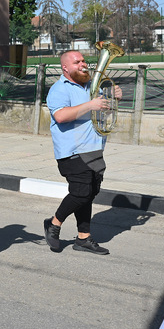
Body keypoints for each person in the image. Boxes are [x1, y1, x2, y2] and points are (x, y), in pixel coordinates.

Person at [43, 50, 122, 256]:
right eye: (77, 62)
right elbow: (61, 116)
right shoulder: (59, 89)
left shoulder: (92, 87)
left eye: (84, 60)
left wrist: (113, 98)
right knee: (81, 193)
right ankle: (54, 223)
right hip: (72, 150)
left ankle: (83, 238)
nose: (83, 64)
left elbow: (104, 110)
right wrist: (90, 104)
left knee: (90, 193)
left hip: (94, 148)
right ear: (65, 68)